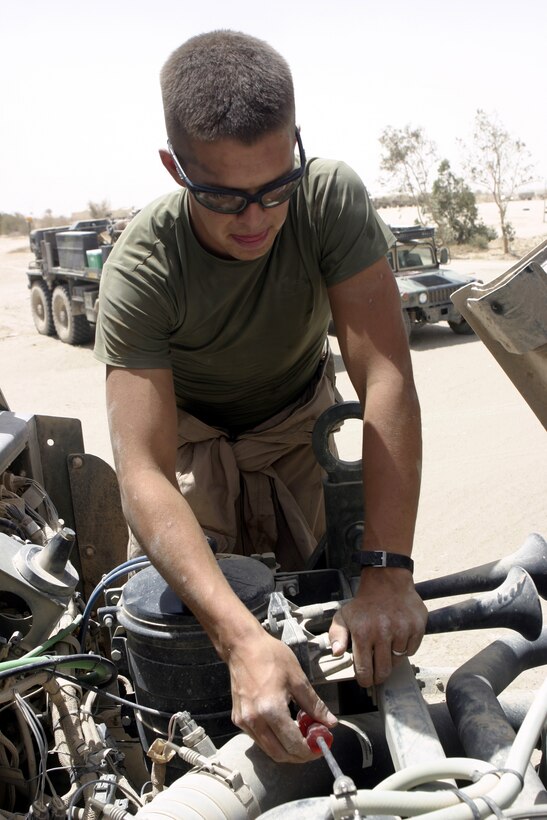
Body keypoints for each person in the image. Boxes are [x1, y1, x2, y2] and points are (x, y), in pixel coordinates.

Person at [94, 29, 428, 764]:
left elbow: (384, 377)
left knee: (323, 615)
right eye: (224, 196)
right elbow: (143, 471)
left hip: (295, 434)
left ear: (297, 145)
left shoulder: (328, 198)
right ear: (173, 169)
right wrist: (239, 641)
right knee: (195, 660)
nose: (256, 219)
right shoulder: (142, 267)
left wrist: (385, 574)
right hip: (194, 455)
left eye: (275, 187)